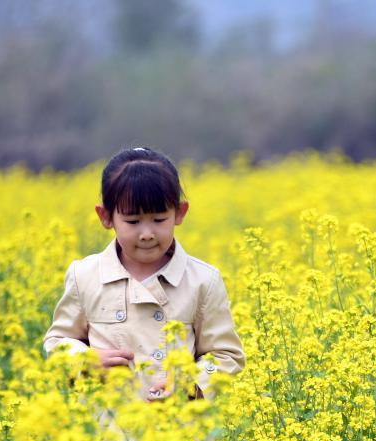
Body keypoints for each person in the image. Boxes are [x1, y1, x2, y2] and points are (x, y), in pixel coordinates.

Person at [43, 147, 245, 401]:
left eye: (159, 219)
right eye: (133, 222)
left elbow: (226, 355)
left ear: (180, 213)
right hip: (105, 430)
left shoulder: (203, 280)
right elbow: (59, 340)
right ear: (105, 217)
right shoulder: (85, 276)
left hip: (179, 429)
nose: (147, 233)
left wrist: (191, 382)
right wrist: (84, 360)